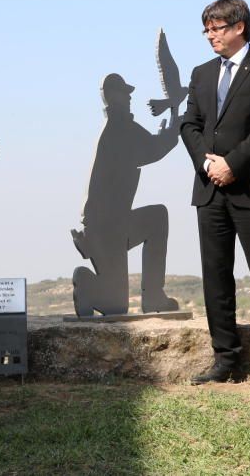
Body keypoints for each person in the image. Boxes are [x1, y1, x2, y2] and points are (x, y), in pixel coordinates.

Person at [180, 0, 250, 384]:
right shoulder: (201, 72)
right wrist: (209, 164)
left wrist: (232, 164)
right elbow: (189, 124)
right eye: (207, 29)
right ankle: (224, 358)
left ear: (239, 27)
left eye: (217, 27)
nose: (210, 35)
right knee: (215, 276)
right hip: (209, 189)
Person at [70, 73, 180, 317]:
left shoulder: (117, 127)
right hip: (108, 226)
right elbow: (154, 149)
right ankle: (92, 285)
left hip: (108, 224)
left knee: (116, 305)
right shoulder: (119, 126)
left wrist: (168, 132)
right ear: (112, 96)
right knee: (158, 218)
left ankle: (151, 296)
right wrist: (175, 129)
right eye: (125, 92)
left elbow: (147, 147)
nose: (130, 96)